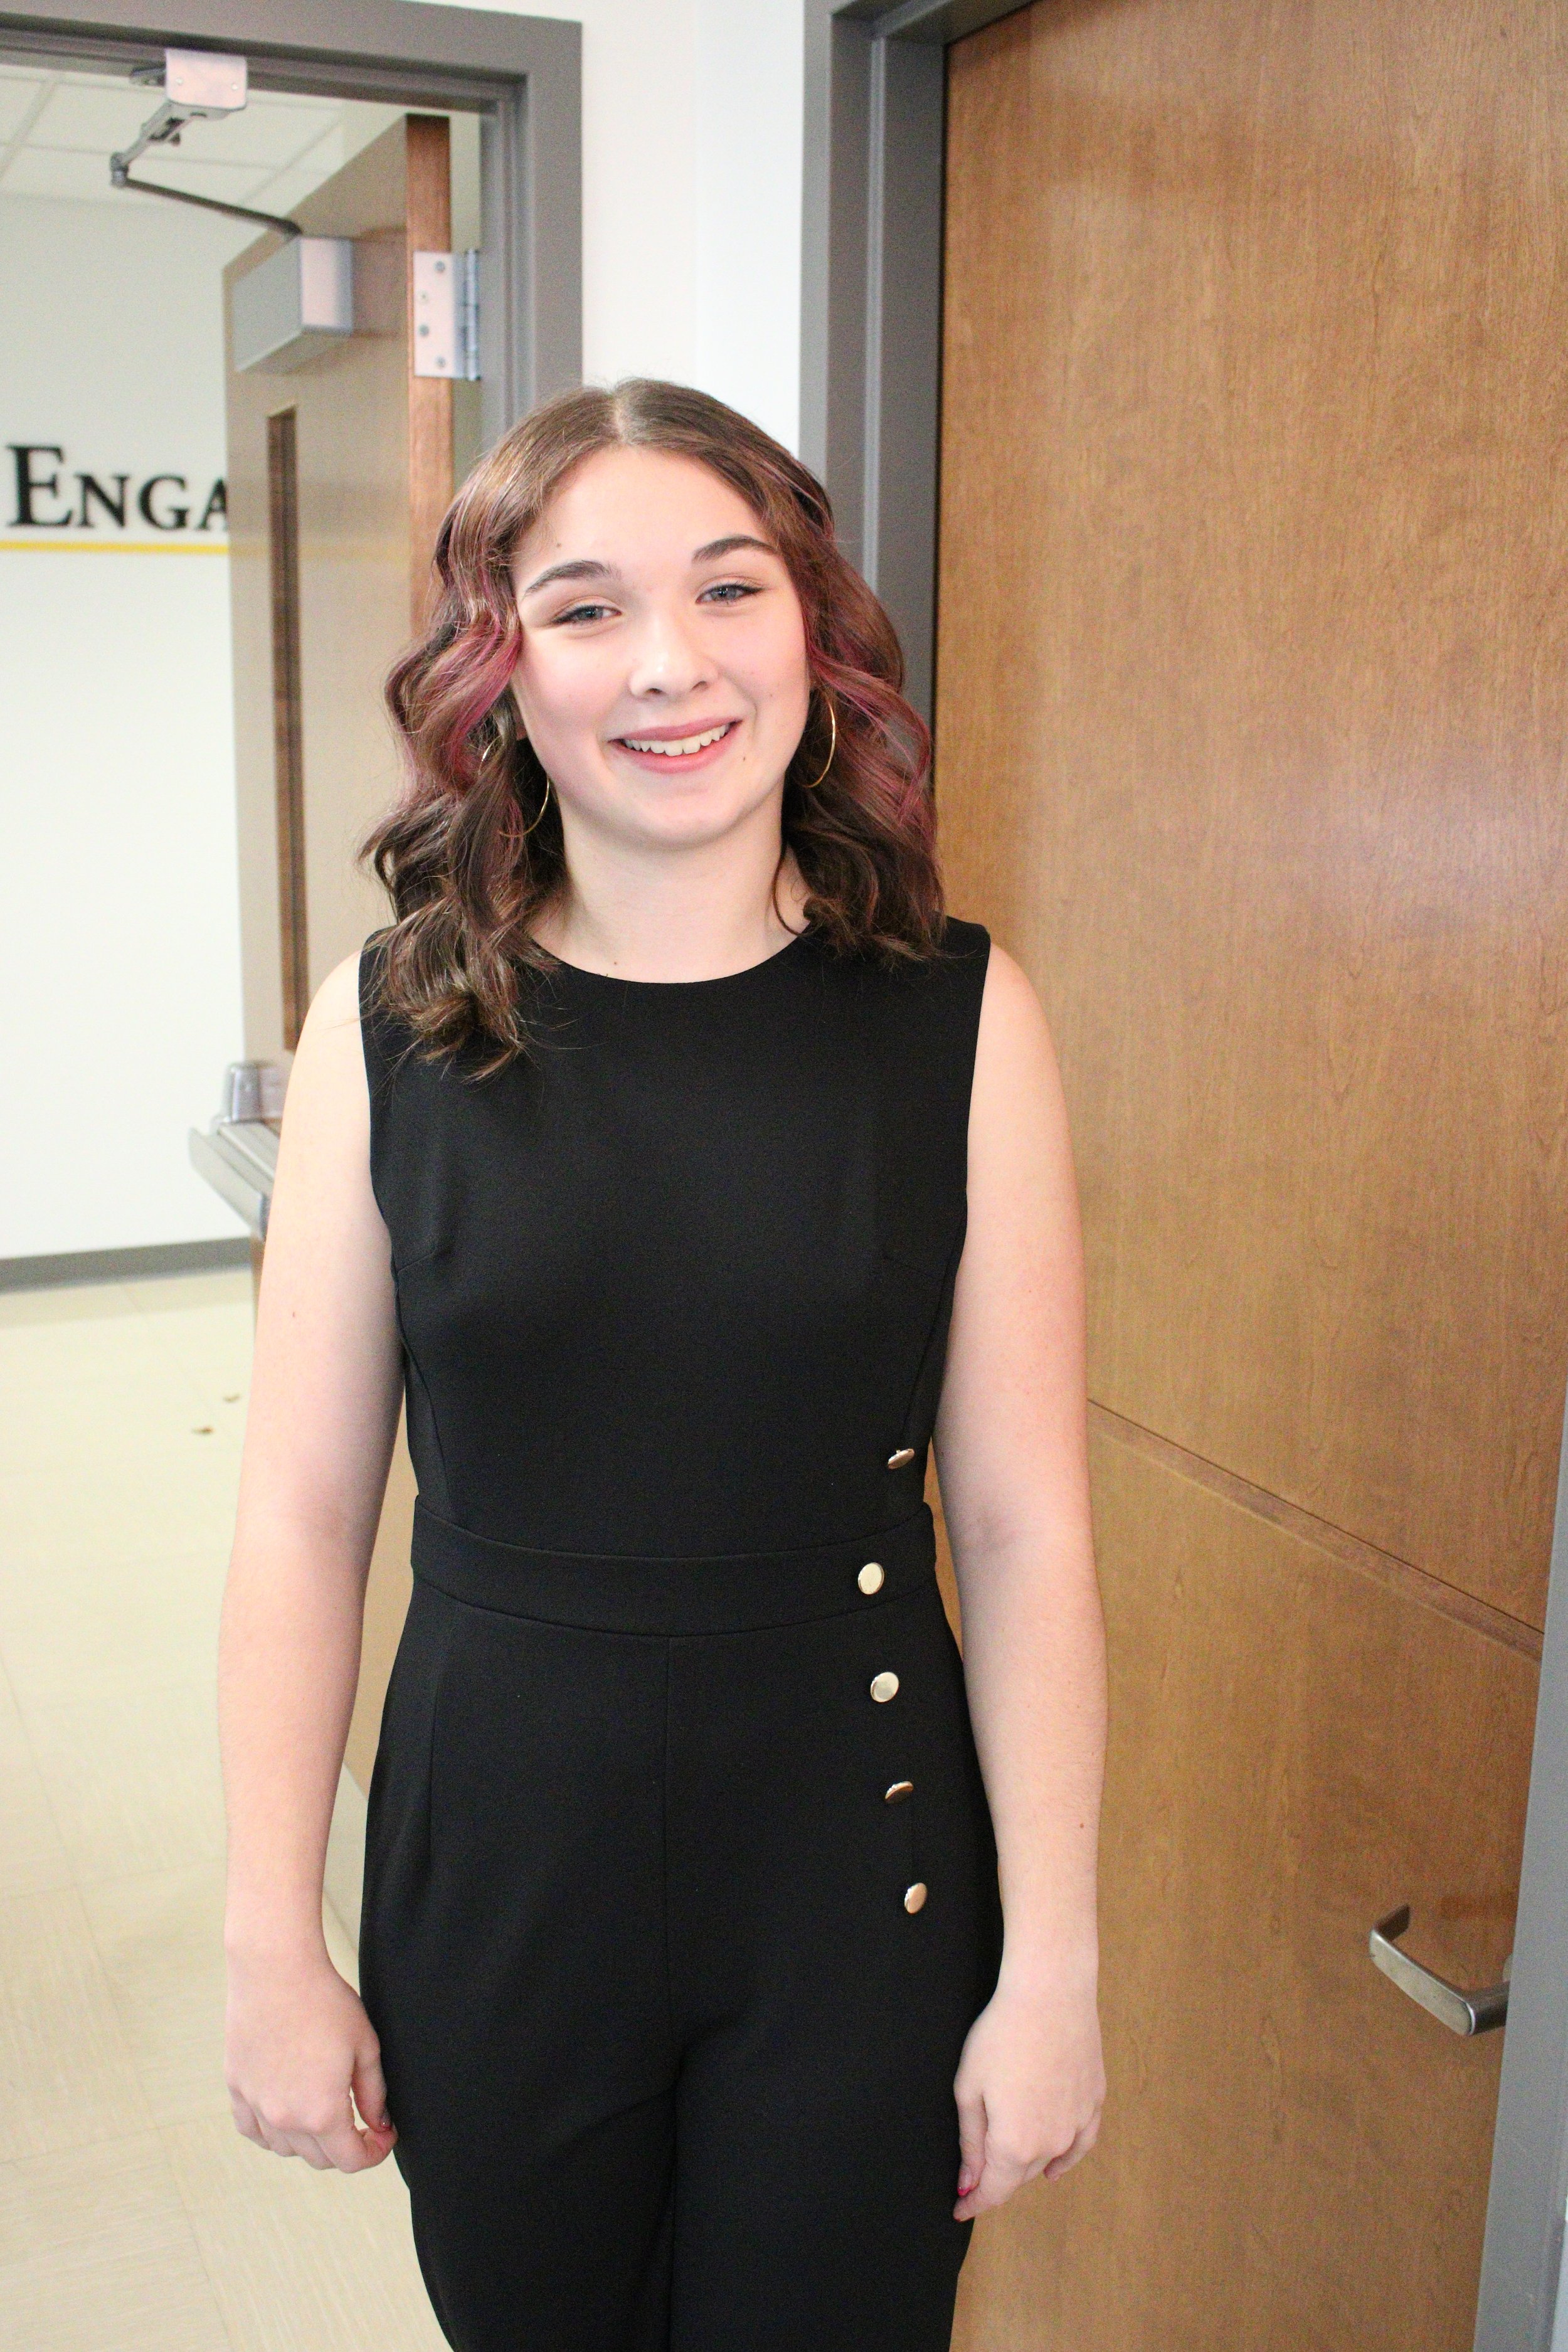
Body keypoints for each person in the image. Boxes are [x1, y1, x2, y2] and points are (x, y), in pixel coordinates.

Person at [218, 378, 1106, 2352]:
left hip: (857, 1866)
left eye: (727, 589)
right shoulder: (391, 1026)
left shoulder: (959, 1017)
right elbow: (297, 1517)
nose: (671, 666)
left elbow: (1029, 1528)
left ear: (812, 636)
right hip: (499, 1862)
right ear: (499, 667)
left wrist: (1052, 1967)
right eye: (586, 606)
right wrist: (270, 1940)